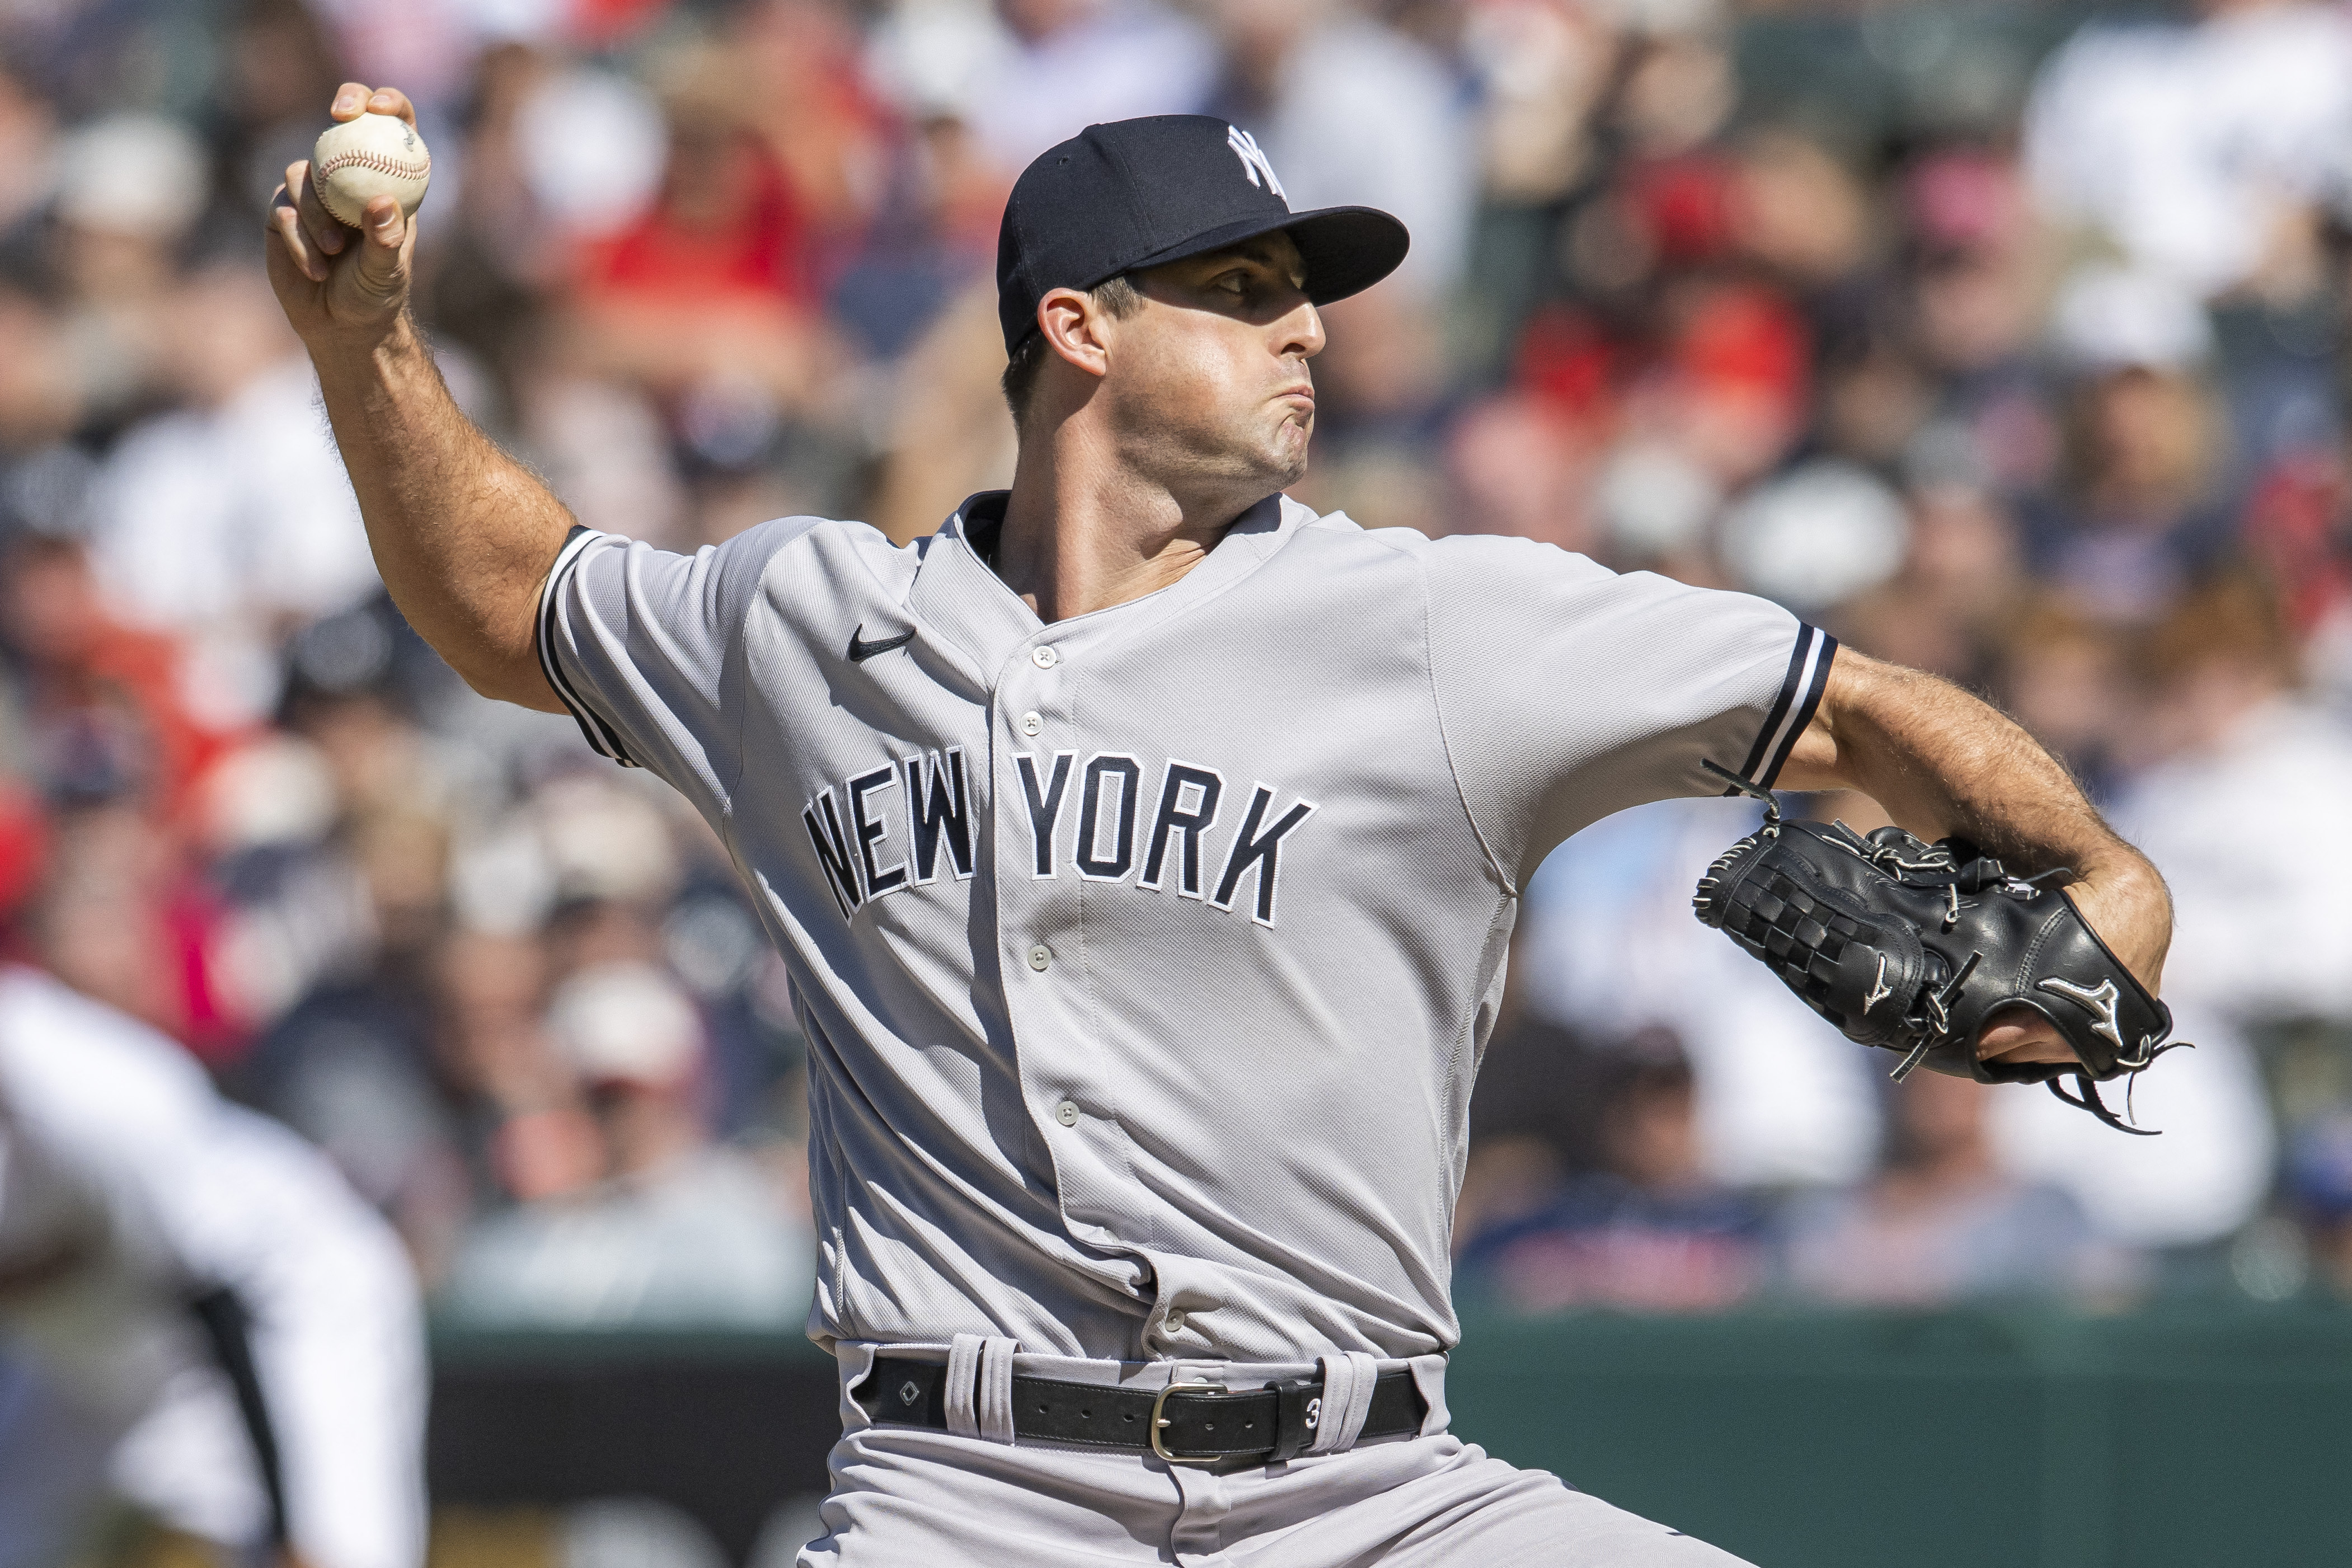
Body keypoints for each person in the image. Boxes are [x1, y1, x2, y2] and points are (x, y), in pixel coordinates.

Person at [265, 84, 2174, 1567]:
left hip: (1368, 1493)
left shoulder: (1436, 627)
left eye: (1309, 298)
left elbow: (1849, 705)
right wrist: (366, 346)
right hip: (962, 1490)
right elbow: (508, 598)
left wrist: (2106, 882)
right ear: (1078, 329)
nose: (1312, 338)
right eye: (1247, 293)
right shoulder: (803, 626)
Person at [0, 961, 428, 1568]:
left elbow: (217, 1296)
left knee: (334, 1557)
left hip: (283, 1308)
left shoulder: (87, 1094)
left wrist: (286, 1525)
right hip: (86, 1351)